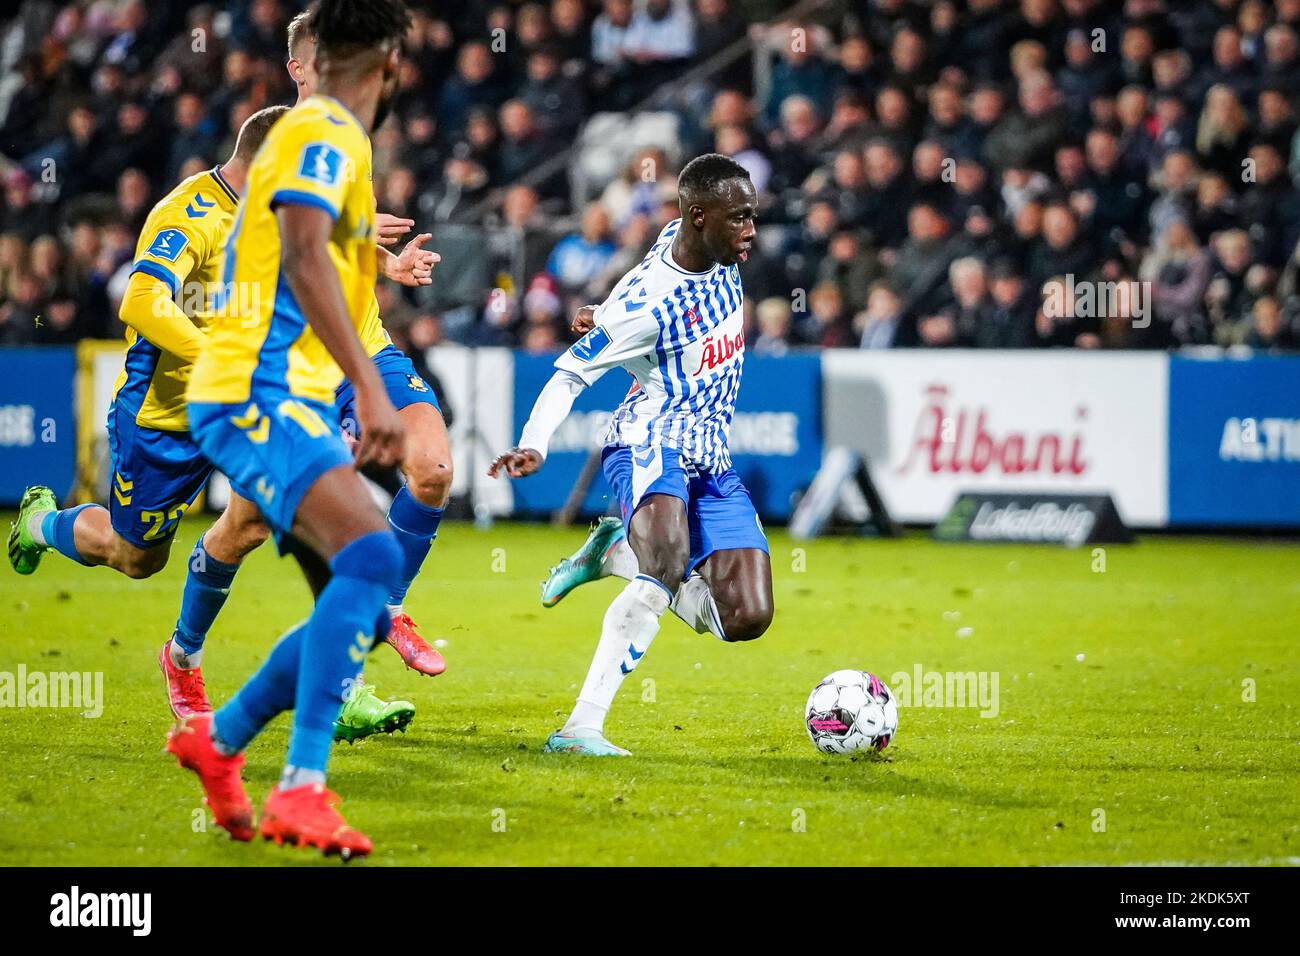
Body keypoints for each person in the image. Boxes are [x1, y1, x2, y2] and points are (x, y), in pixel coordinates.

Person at [3, 108, 413, 741]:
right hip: (165, 414)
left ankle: (332, 684)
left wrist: (375, 261)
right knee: (135, 556)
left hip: (249, 408)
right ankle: (43, 522)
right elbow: (140, 300)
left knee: (307, 520)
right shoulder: (190, 211)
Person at [167, 0, 414, 859]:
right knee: (375, 561)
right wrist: (369, 391)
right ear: (385, 63)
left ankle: (220, 739)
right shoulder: (328, 133)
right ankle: (301, 787)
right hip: (253, 391)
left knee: (365, 594)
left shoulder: (319, 136)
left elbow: (305, 251)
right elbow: (304, 252)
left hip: (279, 394)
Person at [489, 154, 775, 757]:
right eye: (740, 218)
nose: (752, 230)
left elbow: (638, 273)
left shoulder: (691, 240)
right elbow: (569, 374)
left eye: (754, 216)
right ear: (700, 216)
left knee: (747, 617)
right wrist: (535, 442)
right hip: (649, 439)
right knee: (664, 570)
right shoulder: (652, 307)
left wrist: (605, 311)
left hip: (712, 457)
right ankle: (580, 729)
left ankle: (616, 554)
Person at [286, 4, 452, 678]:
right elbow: (283, 248)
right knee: (194, 539)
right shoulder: (280, 141)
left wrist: (389, 264)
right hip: (293, 366)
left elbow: (335, 241)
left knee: (433, 471)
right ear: (302, 66)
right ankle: (186, 653)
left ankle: (382, 616)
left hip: (367, 349)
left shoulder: (352, 139)